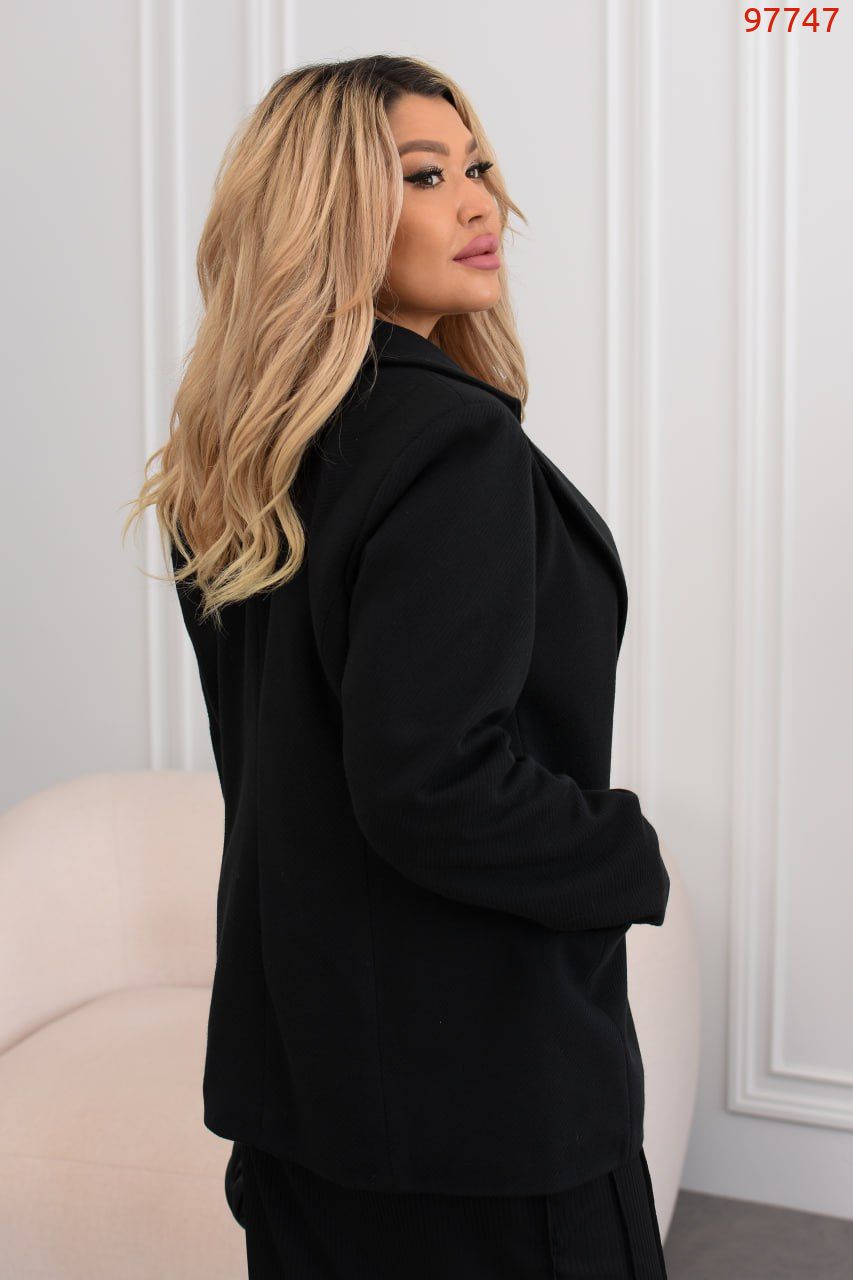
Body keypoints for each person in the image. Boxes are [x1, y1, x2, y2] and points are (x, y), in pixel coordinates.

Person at [124, 53, 670, 1279]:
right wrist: (622, 852)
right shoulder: (448, 443)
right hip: (481, 1097)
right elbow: (431, 783)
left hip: (303, 1088)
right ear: (325, 214)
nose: (478, 201)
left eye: (477, 165)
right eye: (423, 176)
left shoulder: (239, 457)